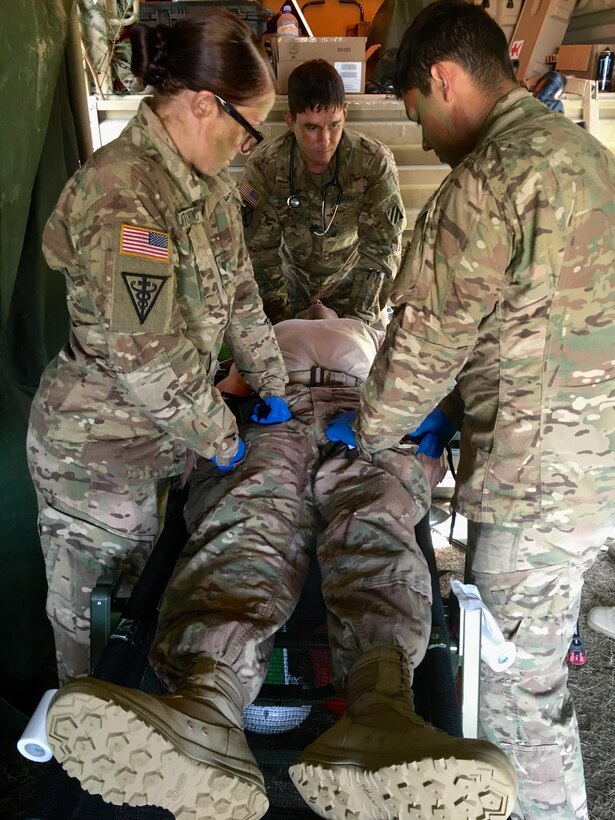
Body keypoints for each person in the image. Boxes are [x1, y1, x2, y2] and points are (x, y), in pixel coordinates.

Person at [45, 303, 518, 820]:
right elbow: (220, 388)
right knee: (250, 516)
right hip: (274, 412)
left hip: (369, 415)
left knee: (376, 516)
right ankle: (208, 703)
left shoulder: (376, 330)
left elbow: (433, 379)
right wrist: (230, 417)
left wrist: (428, 421)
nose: (319, 305)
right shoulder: (262, 332)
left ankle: (381, 708)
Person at [326, 3, 615, 819]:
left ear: (443, 80)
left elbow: (421, 344)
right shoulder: (583, 155)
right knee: (540, 667)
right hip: (595, 465)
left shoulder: (487, 182)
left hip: (532, 488)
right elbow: (541, 314)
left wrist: (372, 433)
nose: (418, 133)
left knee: (519, 704)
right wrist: (457, 406)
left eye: (415, 108)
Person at [26, 9, 292, 686]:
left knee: (150, 626)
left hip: (159, 446)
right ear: (206, 104)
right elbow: (145, 354)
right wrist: (221, 439)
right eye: (247, 128)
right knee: (99, 648)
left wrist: (277, 388)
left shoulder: (208, 189)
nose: (247, 146)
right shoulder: (125, 195)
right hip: (98, 458)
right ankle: (82, 785)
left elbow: (242, 298)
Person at [240, 59, 406, 325]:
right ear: (290, 120)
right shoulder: (266, 166)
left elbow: (383, 247)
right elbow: (259, 250)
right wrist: (279, 318)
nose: (325, 141)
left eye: (334, 125)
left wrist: (358, 320)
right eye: (312, 127)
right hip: (288, 292)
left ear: (346, 114)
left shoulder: (372, 161)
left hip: (355, 290)